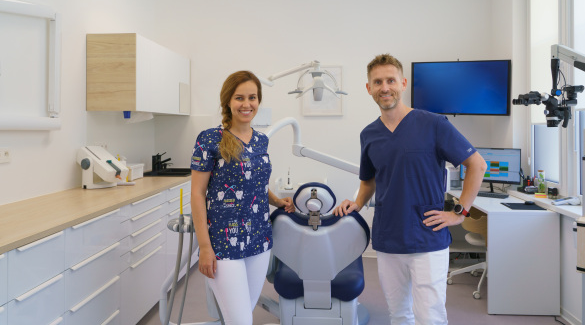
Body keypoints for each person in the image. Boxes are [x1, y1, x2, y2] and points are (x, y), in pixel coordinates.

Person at [333, 54, 487, 325]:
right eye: (377, 82)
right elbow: (369, 180)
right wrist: (358, 202)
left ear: (403, 84)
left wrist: (459, 212)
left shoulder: (434, 124)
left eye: (391, 80)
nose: (385, 87)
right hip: (388, 238)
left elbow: (477, 164)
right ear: (368, 88)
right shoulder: (369, 134)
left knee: (430, 317)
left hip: (427, 238)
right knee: (399, 314)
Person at [190, 70, 295, 325]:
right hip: (223, 243)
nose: (246, 104)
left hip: (259, 238)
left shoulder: (260, 141)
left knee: (243, 314)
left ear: (258, 101)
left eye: (252, 98)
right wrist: (204, 247)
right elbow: (197, 194)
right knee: (241, 321)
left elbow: (256, 184)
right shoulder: (210, 139)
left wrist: (277, 201)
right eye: (239, 98)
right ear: (228, 101)